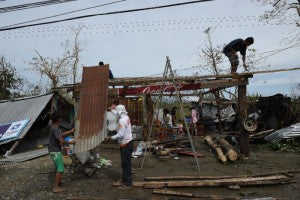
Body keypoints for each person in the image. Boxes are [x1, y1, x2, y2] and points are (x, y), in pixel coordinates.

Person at [105, 105, 134, 188]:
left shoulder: (122, 120)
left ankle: (128, 183)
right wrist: (111, 109)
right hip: (128, 143)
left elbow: (121, 134)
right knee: (124, 164)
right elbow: (117, 113)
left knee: (126, 165)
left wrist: (111, 138)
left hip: (126, 145)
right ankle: (125, 179)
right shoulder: (125, 116)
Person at [48, 112, 75, 193]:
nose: (61, 119)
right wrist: (71, 142)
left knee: (58, 167)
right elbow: (61, 140)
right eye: (60, 118)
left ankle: (58, 182)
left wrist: (70, 131)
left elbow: (60, 134)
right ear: (58, 119)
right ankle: (56, 187)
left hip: (53, 150)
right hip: (55, 151)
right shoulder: (55, 128)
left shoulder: (55, 127)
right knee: (60, 168)